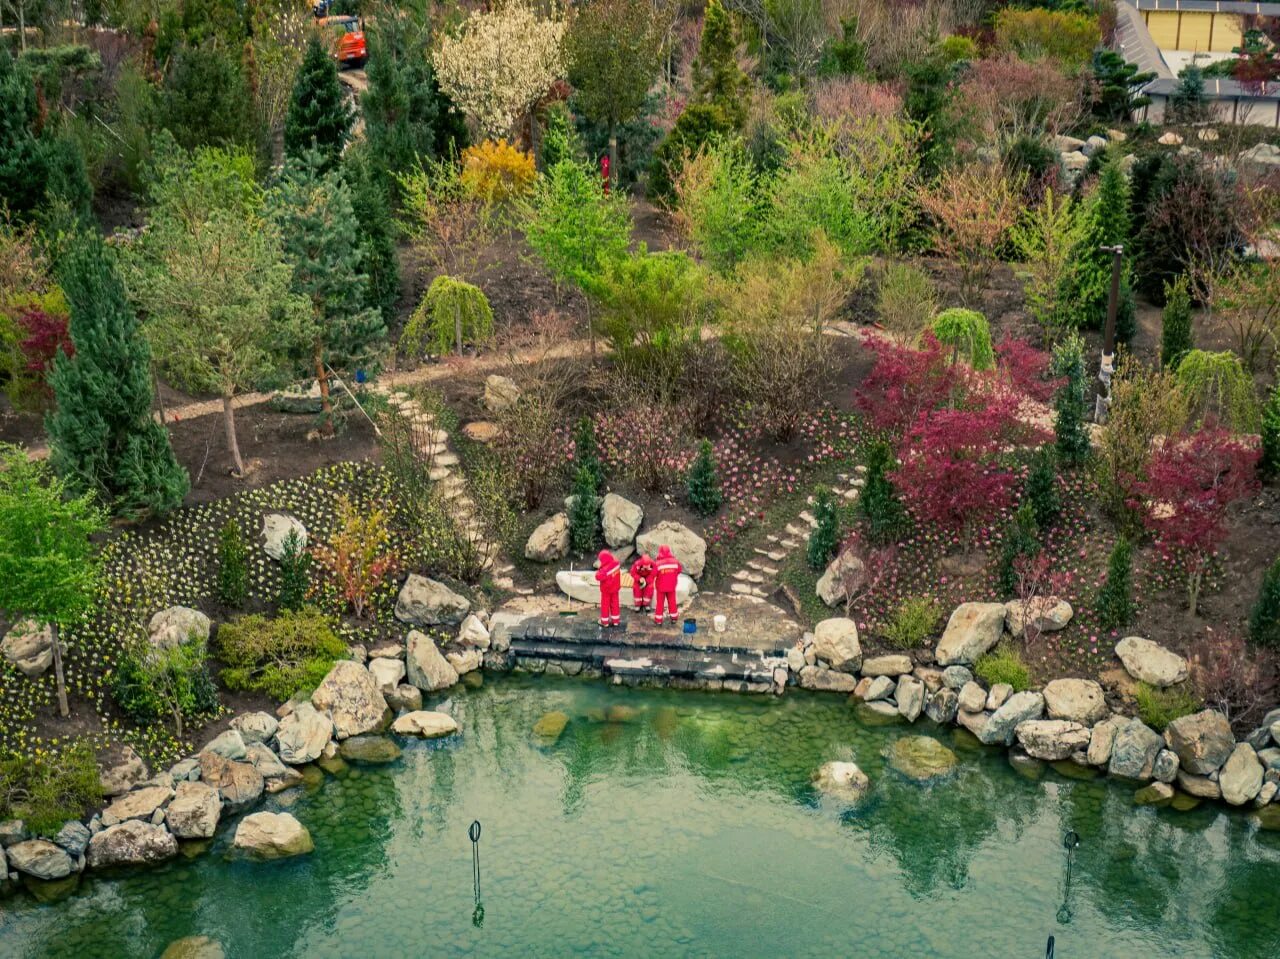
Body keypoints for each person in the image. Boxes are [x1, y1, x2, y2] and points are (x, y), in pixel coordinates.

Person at [653, 544, 682, 626]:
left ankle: (658, 620)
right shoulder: (675, 562)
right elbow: (679, 570)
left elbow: (654, 574)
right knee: (672, 602)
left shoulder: (657, 563)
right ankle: (674, 618)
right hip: (672, 586)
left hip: (661, 587)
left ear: (660, 552)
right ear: (669, 551)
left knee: (660, 603)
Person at [595, 549, 622, 628]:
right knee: (615, 604)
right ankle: (616, 621)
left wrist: (599, 569)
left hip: (606, 591)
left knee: (605, 605)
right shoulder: (617, 564)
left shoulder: (604, 570)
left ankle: (605, 622)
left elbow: (597, 576)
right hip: (615, 589)